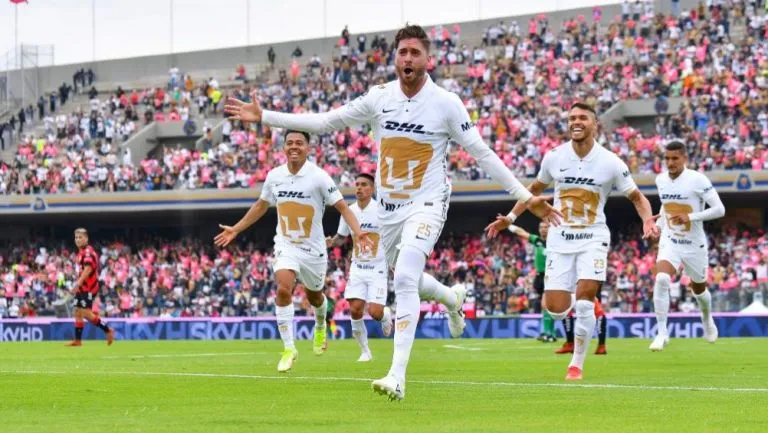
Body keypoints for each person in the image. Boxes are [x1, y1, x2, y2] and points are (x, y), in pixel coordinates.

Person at [223, 24, 561, 400]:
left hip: (428, 204)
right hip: (389, 210)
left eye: (416, 53)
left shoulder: (446, 104)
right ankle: (451, 298)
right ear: (395, 58)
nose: (408, 59)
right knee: (408, 278)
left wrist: (523, 196)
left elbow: (482, 153)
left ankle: (396, 376)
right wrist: (266, 116)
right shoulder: (379, 98)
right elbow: (325, 122)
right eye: (403, 53)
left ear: (428, 59)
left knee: (403, 279)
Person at [486, 102, 658, 380]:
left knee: (586, 301)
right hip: (560, 236)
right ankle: (576, 308)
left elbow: (637, 198)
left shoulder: (611, 161)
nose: (576, 122)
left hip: (593, 236)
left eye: (582, 118)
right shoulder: (554, 157)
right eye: (572, 118)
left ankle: (576, 363)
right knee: (554, 309)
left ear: (594, 124)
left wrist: (647, 220)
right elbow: (533, 190)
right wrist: (511, 217)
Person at [214, 130, 371, 373]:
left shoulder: (319, 177)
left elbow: (342, 207)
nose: (294, 147)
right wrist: (236, 229)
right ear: (283, 147)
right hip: (286, 245)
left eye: (299, 143)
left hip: (314, 251)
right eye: (289, 143)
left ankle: (320, 322)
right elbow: (261, 205)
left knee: (315, 298)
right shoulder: (275, 176)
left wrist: (358, 232)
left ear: (309, 148)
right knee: (283, 287)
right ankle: (289, 348)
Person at [649, 140, 725, 351]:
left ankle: (707, 319)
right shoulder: (660, 179)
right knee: (662, 278)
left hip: (694, 244)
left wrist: (691, 216)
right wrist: (657, 225)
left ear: (684, 159)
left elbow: (720, 209)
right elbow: (665, 207)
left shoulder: (697, 179)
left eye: (675, 159)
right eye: (667, 159)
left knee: (699, 290)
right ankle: (662, 333)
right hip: (671, 240)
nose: (670, 163)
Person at [327, 173, 394, 362]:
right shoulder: (349, 211)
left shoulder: (381, 210)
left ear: (372, 189)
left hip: (378, 267)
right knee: (355, 310)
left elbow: (391, 235)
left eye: (364, 184)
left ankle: (385, 314)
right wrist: (330, 242)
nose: (359, 188)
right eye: (357, 184)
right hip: (358, 266)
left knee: (374, 312)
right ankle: (365, 351)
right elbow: (342, 237)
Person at [502, 222, 556, 342]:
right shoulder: (537, 240)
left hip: (551, 276)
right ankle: (549, 333)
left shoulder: (555, 242)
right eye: (541, 227)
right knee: (547, 306)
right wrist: (509, 225)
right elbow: (521, 232)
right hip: (540, 277)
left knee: (545, 305)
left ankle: (548, 333)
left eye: (546, 227)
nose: (543, 230)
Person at [65, 228, 115, 347]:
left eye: (80, 237)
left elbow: (88, 269)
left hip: (88, 287)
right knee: (77, 311)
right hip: (83, 287)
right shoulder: (81, 252)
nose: (77, 240)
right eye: (76, 237)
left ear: (86, 238)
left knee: (86, 313)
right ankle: (78, 341)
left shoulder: (87, 252)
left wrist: (77, 284)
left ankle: (108, 330)